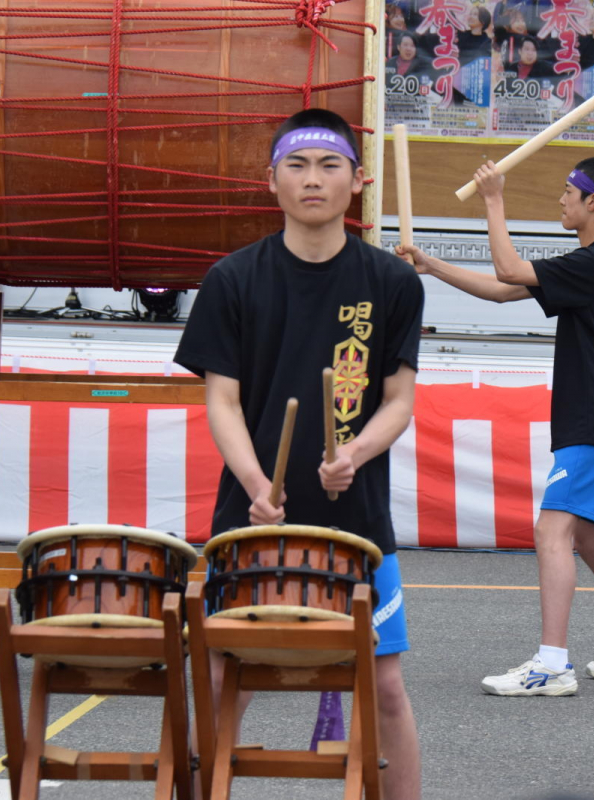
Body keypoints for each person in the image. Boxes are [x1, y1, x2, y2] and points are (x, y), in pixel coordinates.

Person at [174, 108, 423, 797]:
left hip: (360, 525)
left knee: (387, 686)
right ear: (272, 181)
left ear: (357, 181)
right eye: (298, 166)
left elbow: (398, 399)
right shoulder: (232, 279)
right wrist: (256, 482)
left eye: (329, 165)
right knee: (223, 675)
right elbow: (221, 399)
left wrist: (358, 451)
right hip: (252, 517)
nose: (313, 179)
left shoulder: (392, 283)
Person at [397, 157, 594, 697]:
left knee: (553, 531)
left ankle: (551, 665)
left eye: (569, 192)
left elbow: (507, 271)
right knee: (591, 540)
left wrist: (493, 199)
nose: (561, 200)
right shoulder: (592, 261)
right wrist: (433, 265)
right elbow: (505, 291)